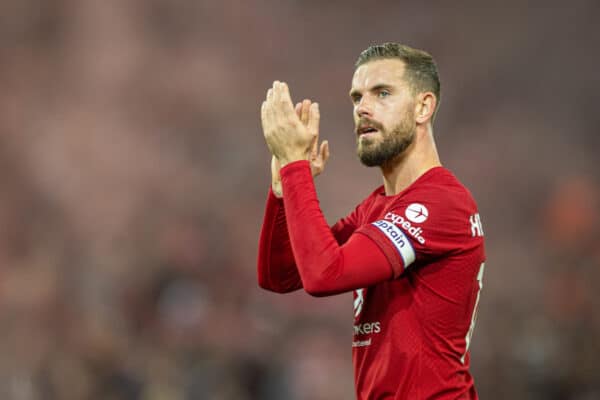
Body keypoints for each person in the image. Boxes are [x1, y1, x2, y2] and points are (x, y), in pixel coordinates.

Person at [257, 42, 486, 400]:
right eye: (356, 97)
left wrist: (295, 167)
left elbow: (324, 275)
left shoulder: (442, 202)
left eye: (382, 93)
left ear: (423, 107)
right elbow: (280, 275)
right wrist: (283, 187)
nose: (363, 108)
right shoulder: (377, 208)